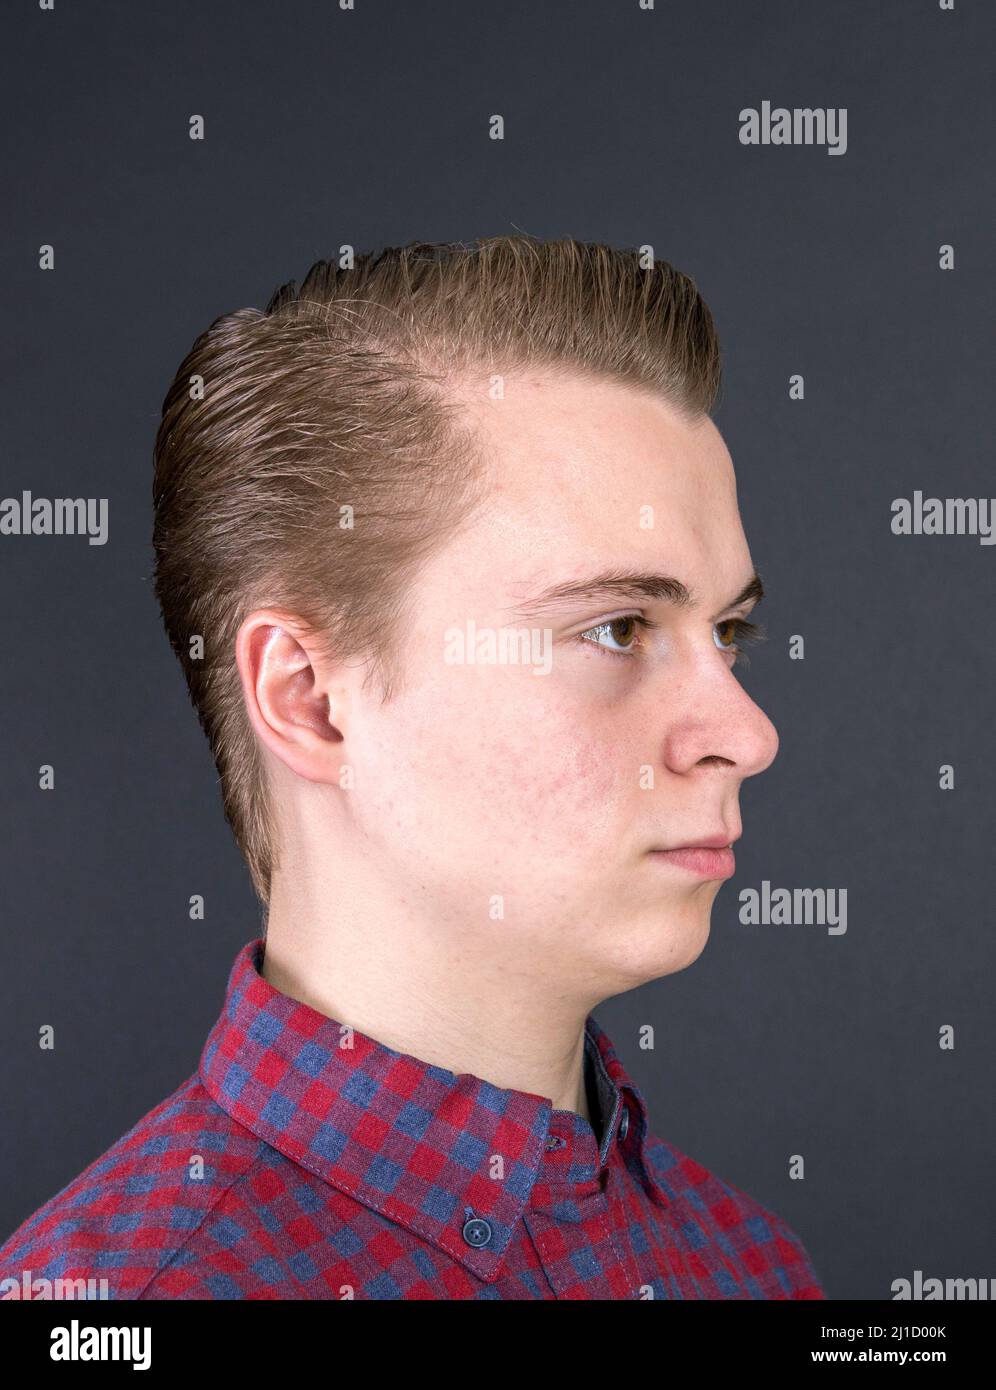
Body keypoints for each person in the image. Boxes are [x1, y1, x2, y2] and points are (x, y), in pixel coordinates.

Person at [0, 236, 825, 1300]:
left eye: (730, 632)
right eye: (619, 628)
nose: (746, 733)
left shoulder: (753, 1268)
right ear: (310, 698)